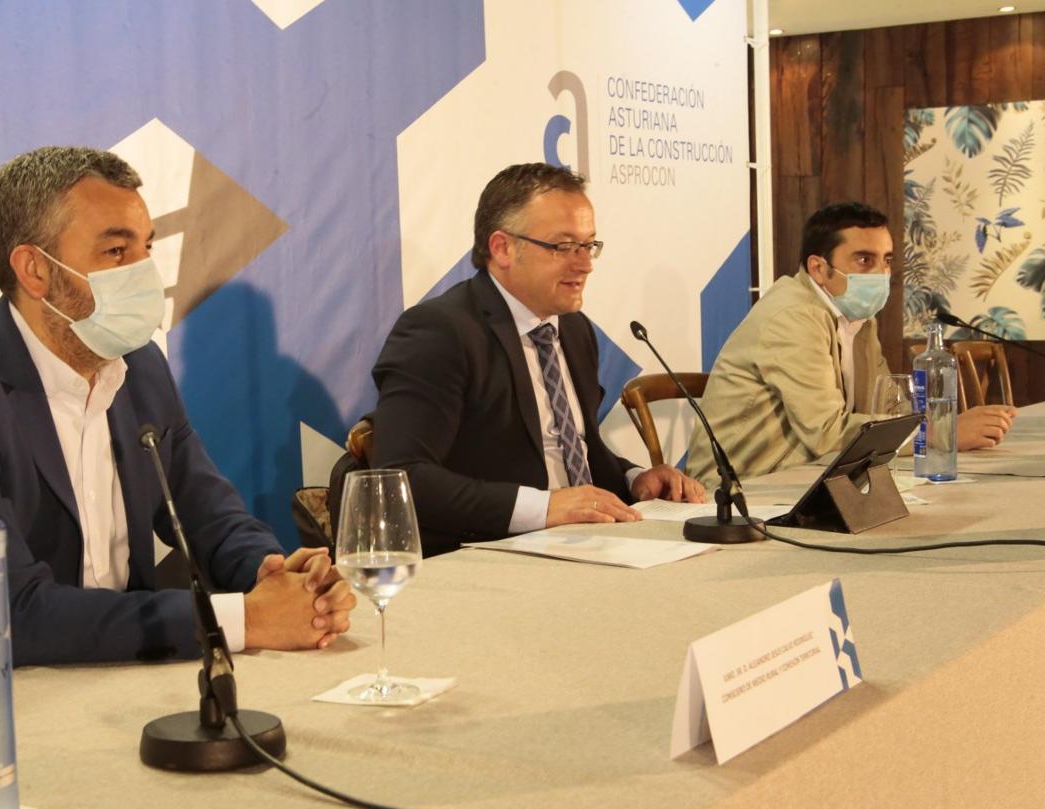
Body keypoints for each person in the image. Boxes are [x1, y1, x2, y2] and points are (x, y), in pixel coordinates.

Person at [0, 146, 355, 706]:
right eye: (116, 250)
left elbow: (209, 514)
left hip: (111, 685)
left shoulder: (137, 366)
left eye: (146, 247)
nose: (145, 273)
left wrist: (272, 575)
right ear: (35, 269)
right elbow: (8, 615)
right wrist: (245, 619)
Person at [371, 162, 705, 556]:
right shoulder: (439, 331)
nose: (585, 264)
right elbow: (401, 478)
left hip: (587, 546)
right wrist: (545, 508)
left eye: (589, 245)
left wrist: (635, 479)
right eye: (563, 246)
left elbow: (577, 449)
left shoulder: (574, 329)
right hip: (488, 556)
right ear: (503, 248)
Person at [686, 201, 1016, 487]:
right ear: (818, 268)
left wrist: (932, 426)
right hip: (737, 487)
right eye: (864, 260)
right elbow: (827, 433)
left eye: (886, 260)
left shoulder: (856, 315)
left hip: (805, 474)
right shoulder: (792, 317)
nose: (880, 273)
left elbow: (883, 407)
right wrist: (938, 432)